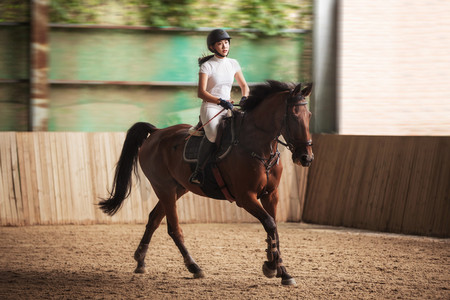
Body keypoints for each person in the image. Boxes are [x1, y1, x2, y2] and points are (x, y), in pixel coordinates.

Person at [189, 29, 249, 185]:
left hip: (228, 106)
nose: (225, 46)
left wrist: (244, 98)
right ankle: (198, 171)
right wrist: (220, 101)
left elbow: (244, 85)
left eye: (227, 42)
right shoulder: (207, 67)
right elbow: (201, 93)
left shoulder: (233, 63)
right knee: (214, 135)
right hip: (211, 107)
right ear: (212, 47)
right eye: (220, 43)